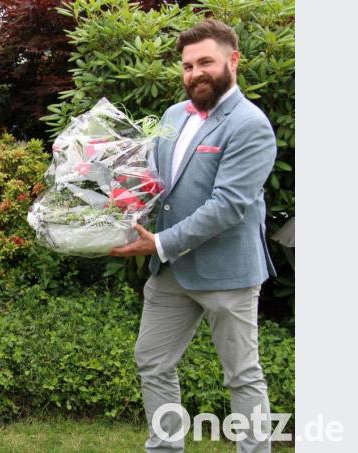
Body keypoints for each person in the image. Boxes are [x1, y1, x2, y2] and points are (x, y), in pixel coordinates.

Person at [110, 19, 277, 453]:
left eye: (206, 62)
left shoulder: (250, 124)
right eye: (187, 66)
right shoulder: (173, 115)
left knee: (242, 375)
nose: (195, 73)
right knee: (152, 362)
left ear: (232, 60)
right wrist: (116, 191)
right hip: (171, 272)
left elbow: (228, 205)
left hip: (227, 273)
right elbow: (156, 181)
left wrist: (160, 242)